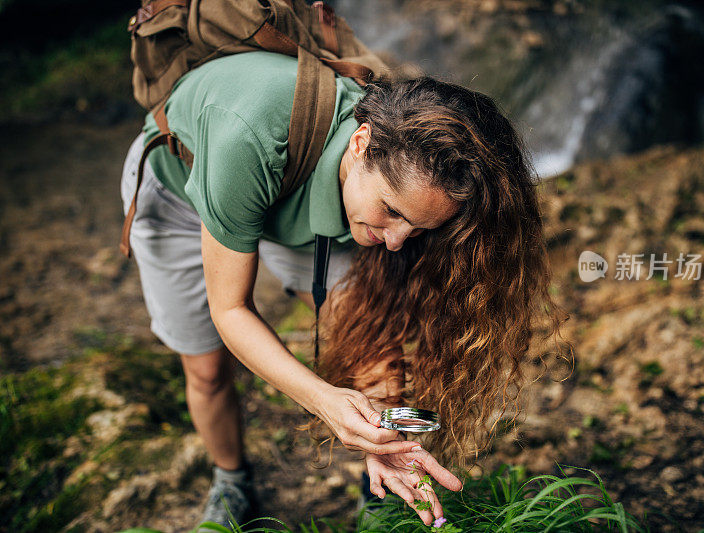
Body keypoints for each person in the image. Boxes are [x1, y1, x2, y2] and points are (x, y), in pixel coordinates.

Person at [120, 50, 567, 530]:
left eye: (416, 228)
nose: (396, 242)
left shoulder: (386, 189)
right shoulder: (246, 137)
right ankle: (231, 479)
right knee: (208, 367)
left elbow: (374, 323)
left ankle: (380, 479)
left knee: (370, 336)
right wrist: (323, 399)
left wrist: (384, 442)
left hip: (300, 192)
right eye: (392, 212)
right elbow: (230, 310)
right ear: (360, 144)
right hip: (182, 196)